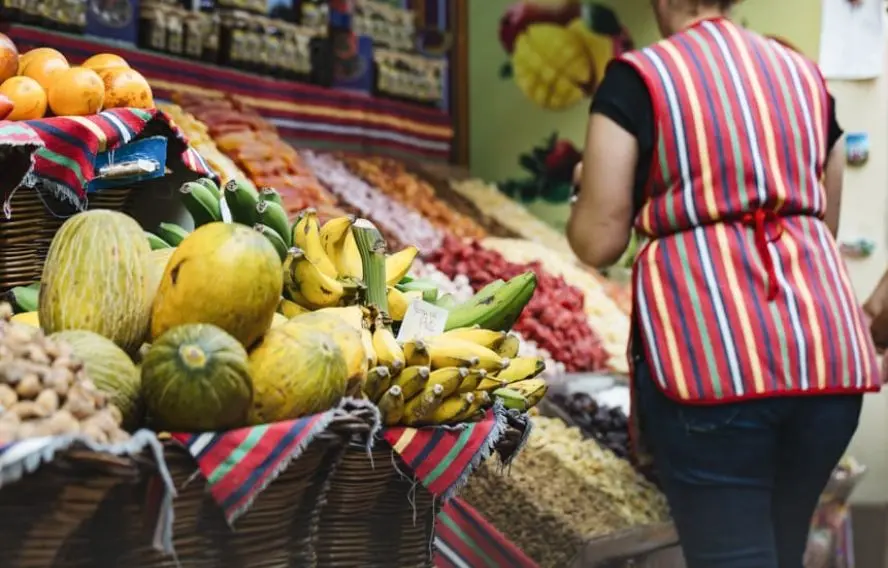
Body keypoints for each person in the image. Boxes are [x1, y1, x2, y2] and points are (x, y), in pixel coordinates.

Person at [565, 1, 881, 567]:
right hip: (827, 362)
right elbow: (824, 217)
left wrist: (584, 191)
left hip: (711, 367)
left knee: (733, 556)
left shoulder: (643, 76)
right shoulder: (804, 75)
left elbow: (599, 239)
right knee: (782, 550)